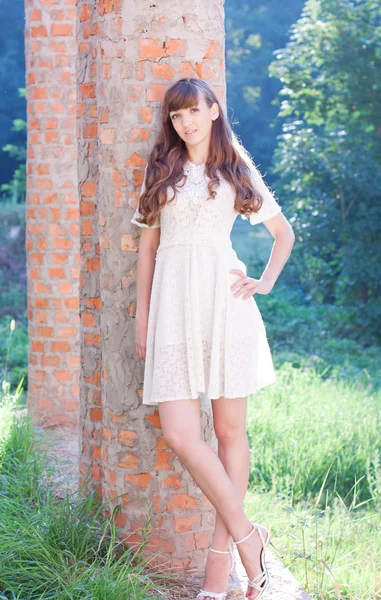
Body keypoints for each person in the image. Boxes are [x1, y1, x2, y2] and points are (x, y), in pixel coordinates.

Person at [130, 78, 295, 600]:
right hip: (174, 311)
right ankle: (252, 538)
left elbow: (283, 233)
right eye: (177, 117)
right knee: (180, 432)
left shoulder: (235, 168)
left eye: (194, 112)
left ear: (214, 109)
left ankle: (218, 572)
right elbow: (147, 252)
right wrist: (142, 322)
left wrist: (264, 282)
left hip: (227, 308)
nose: (187, 123)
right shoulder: (163, 169)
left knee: (229, 434)